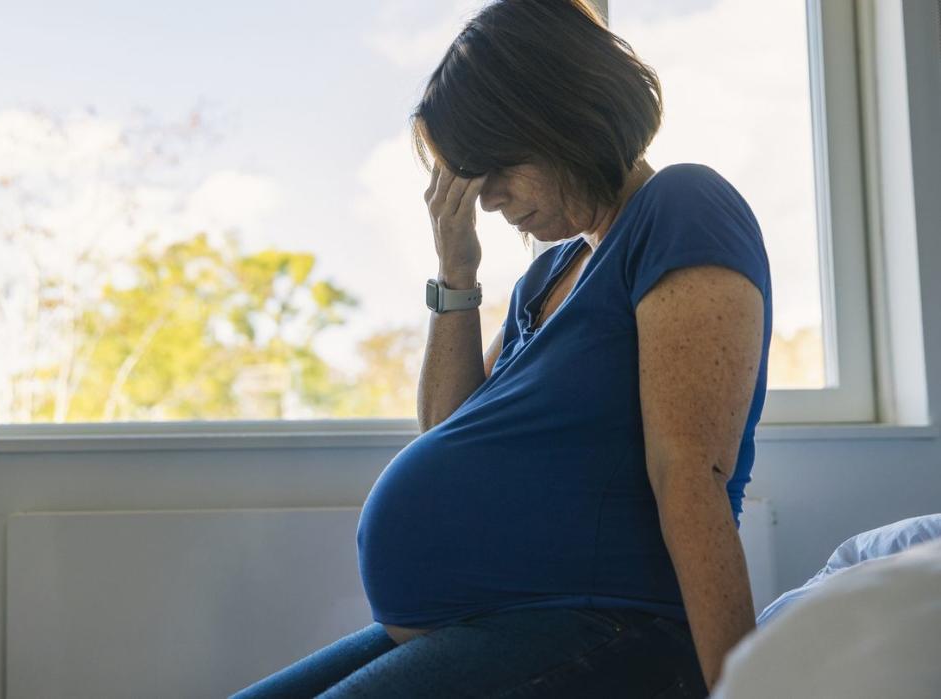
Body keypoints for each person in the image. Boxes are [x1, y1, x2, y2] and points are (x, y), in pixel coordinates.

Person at [231, 0, 771, 696]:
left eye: (497, 169)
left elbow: (689, 473)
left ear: (563, 118)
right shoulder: (548, 276)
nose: (486, 200)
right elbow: (449, 430)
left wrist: (742, 686)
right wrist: (458, 274)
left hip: (612, 625)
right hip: (502, 619)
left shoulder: (681, 207)